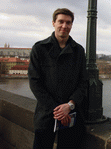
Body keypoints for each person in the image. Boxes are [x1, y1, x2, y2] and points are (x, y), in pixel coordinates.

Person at [28, 8, 88, 148]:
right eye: (61, 21)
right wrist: (58, 110)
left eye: (68, 23)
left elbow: (83, 82)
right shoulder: (39, 48)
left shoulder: (79, 51)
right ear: (53, 23)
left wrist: (70, 105)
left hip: (71, 116)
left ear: (71, 25)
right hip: (46, 114)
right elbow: (35, 83)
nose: (64, 26)